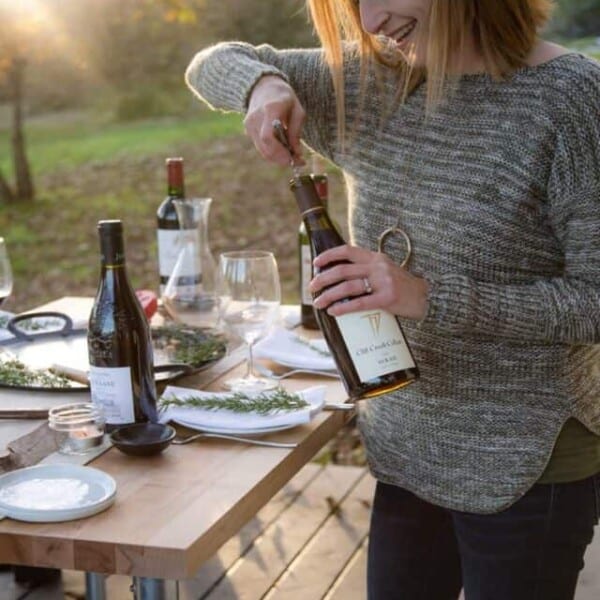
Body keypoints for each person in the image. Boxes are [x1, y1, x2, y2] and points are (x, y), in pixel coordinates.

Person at [185, 1, 600, 598]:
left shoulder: (572, 99)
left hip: (523, 463)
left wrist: (427, 296)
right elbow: (211, 63)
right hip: (404, 446)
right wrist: (263, 83)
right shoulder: (372, 83)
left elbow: (592, 299)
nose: (371, 21)